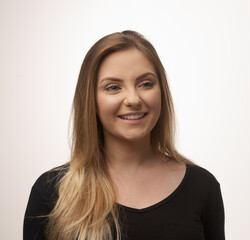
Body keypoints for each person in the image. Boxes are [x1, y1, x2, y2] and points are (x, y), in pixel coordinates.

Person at [24, 30, 225, 240]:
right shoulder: (51, 192)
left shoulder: (203, 187)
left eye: (146, 84)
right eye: (113, 87)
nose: (133, 99)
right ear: (91, 100)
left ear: (162, 91)